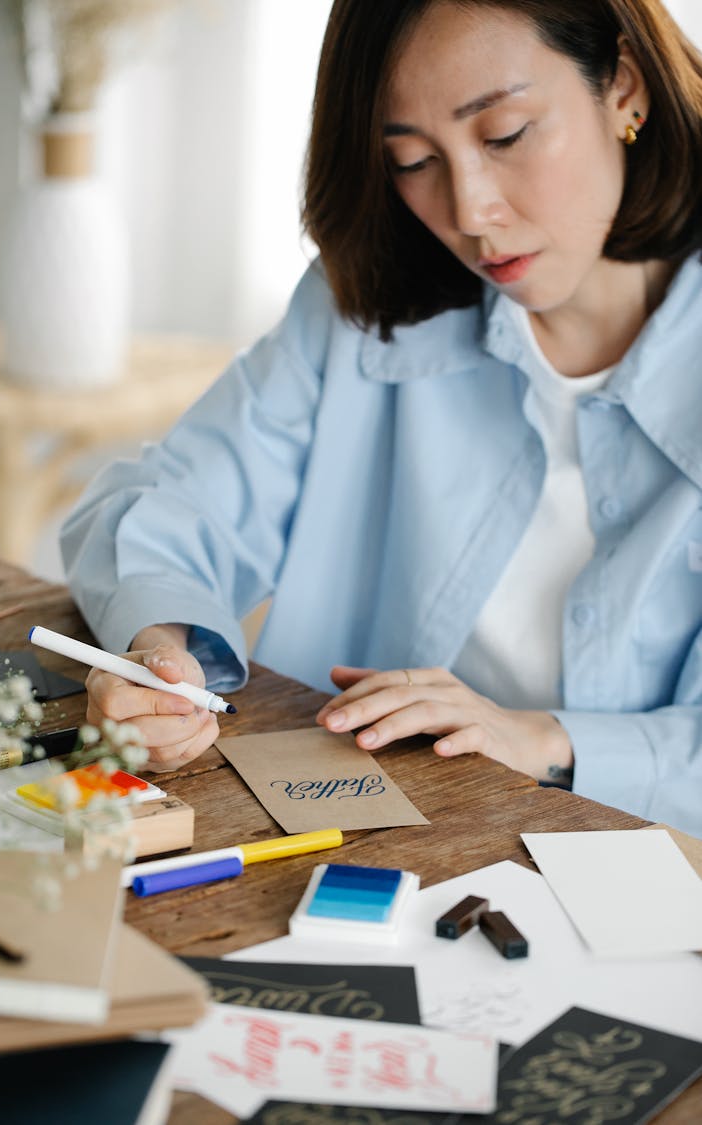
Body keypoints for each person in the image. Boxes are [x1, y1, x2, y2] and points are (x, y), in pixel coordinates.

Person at [61, 0, 702, 837]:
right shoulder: (365, 303)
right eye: (412, 159)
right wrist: (157, 653)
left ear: (624, 85)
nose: (470, 211)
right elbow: (167, 506)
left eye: (504, 134)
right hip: (373, 849)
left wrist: (541, 738)